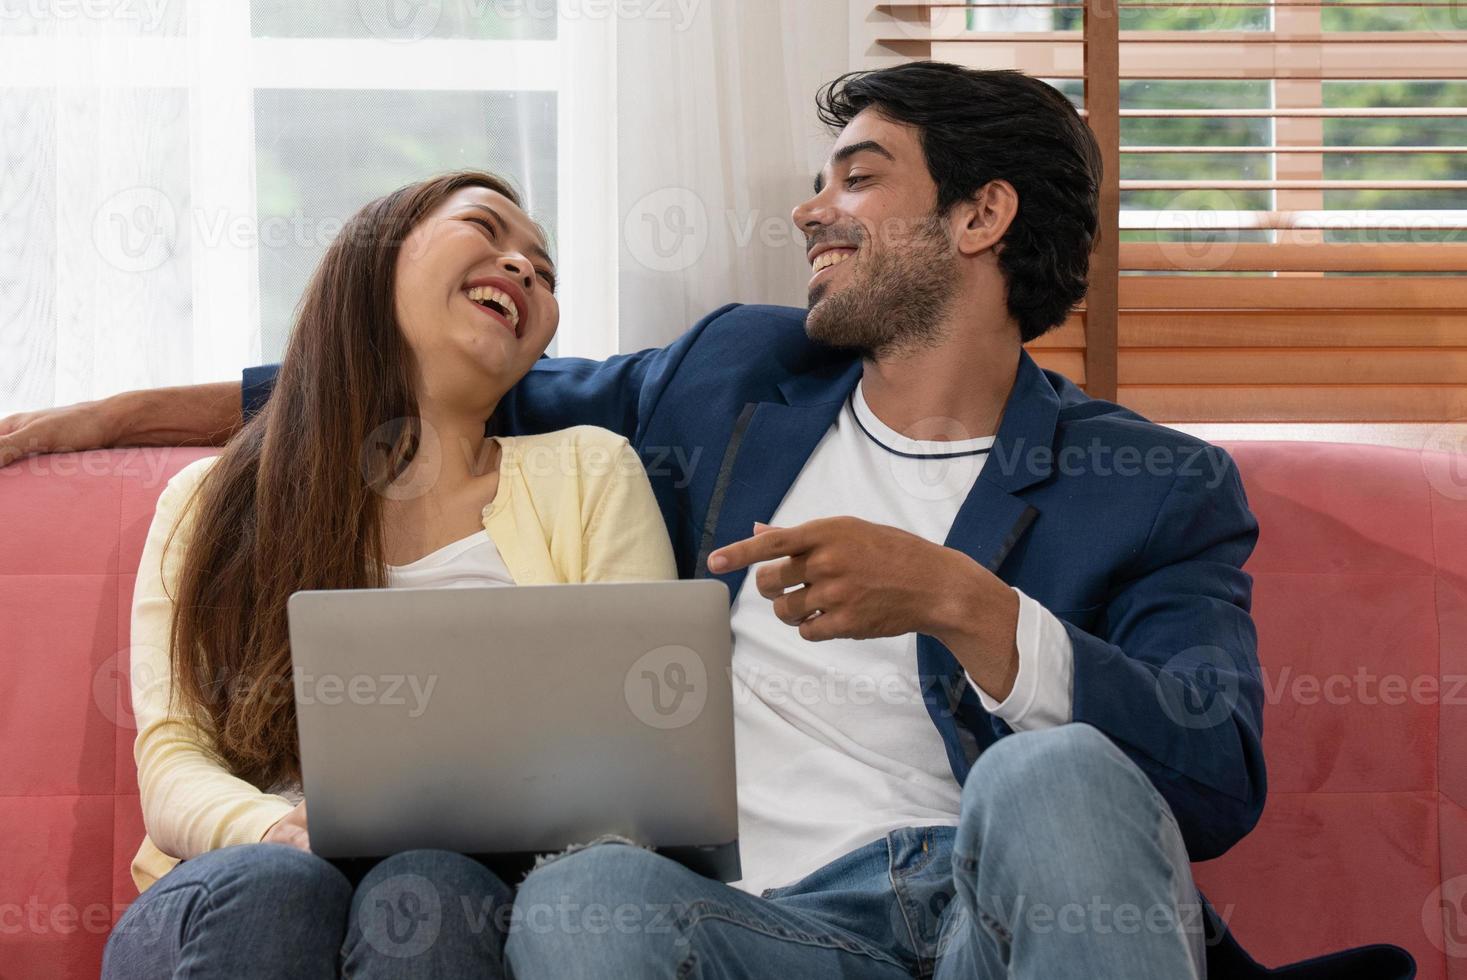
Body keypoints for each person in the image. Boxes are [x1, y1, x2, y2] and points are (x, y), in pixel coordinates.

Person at [4, 64, 1411, 979]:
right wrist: (93, 416)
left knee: (1047, 780)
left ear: (979, 217)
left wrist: (967, 607)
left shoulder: (1153, 485)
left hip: (1004, 920)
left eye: (858, 176)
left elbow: (1215, 775)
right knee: (579, 903)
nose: (813, 208)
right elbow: (408, 367)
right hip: (765, 935)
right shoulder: (737, 375)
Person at [98, 170, 676, 978]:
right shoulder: (208, 499)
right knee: (280, 886)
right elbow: (173, 761)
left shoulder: (590, 470)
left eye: (543, 274)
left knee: (428, 888)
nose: (523, 270)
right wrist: (281, 832)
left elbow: (638, 758)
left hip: (484, 899)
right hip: (235, 886)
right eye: (487, 229)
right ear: (375, 261)